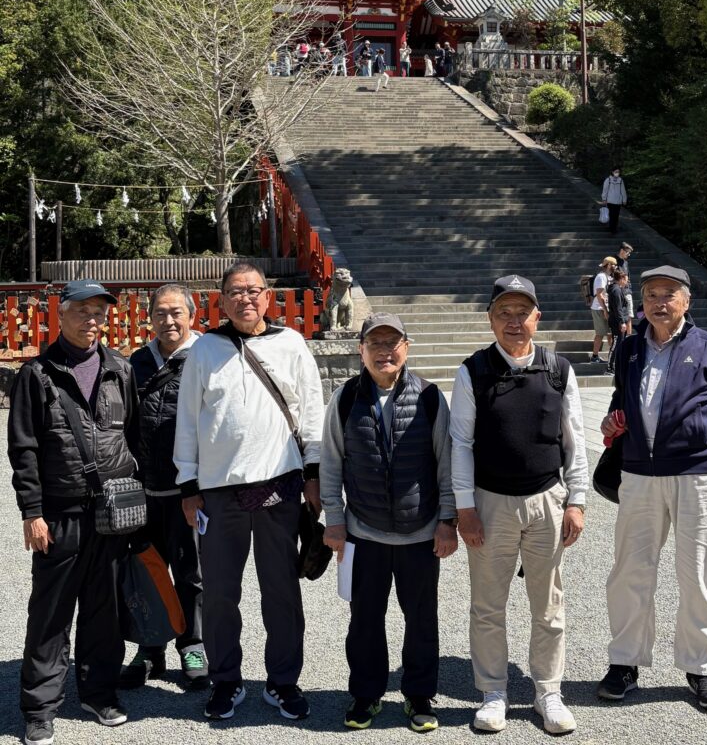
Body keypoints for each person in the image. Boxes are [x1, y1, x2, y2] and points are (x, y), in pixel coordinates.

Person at [174, 260, 324, 723]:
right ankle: (226, 679)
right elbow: (188, 419)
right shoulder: (205, 349)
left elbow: (312, 410)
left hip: (280, 483)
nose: (245, 298)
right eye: (235, 291)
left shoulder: (291, 343)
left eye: (253, 290)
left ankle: (283, 680)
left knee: (281, 590)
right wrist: (187, 482)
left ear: (267, 297)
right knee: (221, 592)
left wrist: (315, 471)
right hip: (219, 489)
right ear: (221, 300)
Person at [598, 266, 707, 711]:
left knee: (699, 574)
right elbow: (620, 400)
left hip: (698, 475)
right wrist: (611, 421)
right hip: (638, 476)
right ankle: (625, 662)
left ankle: (700, 668)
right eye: (650, 295)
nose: (658, 302)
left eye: (668, 294)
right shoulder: (628, 348)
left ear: (686, 301)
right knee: (629, 571)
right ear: (641, 302)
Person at [450, 275, 588, 736]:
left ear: (537, 317)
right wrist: (465, 508)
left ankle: (548, 691)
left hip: (547, 499)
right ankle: (493, 691)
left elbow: (574, 440)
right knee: (488, 605)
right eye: (503, 313)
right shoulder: (473, 371)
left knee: (549, 605)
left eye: (522, 313)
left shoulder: (558, 369)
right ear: (490, 319)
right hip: (490, 503)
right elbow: (460, 443)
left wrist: (577, 500)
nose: (514, 322)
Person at [8, 280, 140, 745]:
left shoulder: (120, 369)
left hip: (111, 512)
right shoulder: (37, 374)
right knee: (51, 613)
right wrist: (32, 511)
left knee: (105, 611)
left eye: (99, 312)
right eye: (82, 311)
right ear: (60, 314)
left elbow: (133, 436)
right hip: (60, 512)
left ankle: (98, 693)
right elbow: (23, 448)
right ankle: (40, 707)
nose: (92, 320)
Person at [321, 313, 458, 733]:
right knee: (364, 619)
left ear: (406, 348)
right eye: (375, 344)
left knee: (421, 620)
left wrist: (447, 519)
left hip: (421, 532)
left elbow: (446, 464)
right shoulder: (345, 398)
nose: (385, 351)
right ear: (361, 350)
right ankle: (366, 695)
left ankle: (420, 695)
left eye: (392, 343)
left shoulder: (430, 397)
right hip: (364, 531)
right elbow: (331, 463)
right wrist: (334, 520)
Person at [119, 284, 206, 690]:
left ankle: (193, 645)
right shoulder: (136, 363)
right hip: (144, 490)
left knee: (191, 573)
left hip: (190, 491)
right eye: (160, 313)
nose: (168, 321)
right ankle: (150, 647)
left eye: (176, 313)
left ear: (192, 315)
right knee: (146, 570)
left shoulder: (207, 358)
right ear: (149, 317)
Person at [589, 256, 616, 363]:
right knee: (600, 334)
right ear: (608, 265)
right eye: (614, 265)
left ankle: (612, 357)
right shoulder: (601, 277)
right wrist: (605, 310)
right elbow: (600, 294)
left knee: (610, 333)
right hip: (599, 308)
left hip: (604, 308)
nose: (615, 267)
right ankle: (594, 356)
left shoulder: (607, 276)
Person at [605, 268, 630, 375]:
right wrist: (622, 322)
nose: (626, 282)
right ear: (621, 279)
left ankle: (616, 366)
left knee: (619, 344)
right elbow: (618, 308)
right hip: (617, 322)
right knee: (616, 343)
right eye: (626, 280)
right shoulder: (616, 290)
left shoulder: (617, 289)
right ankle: (610, 367)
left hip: (619, 321)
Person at [613, 242, 634, 333]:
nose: (629, 255)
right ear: (622, 250)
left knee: (629, 315)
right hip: (617, 292)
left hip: (626, 291)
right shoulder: (613, 261)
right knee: (619, 316)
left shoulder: (625, 262)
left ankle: (628, 337)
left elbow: (628, 277)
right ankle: (620, 337)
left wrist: (629, 289)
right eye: (627, 252)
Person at [601, 167, 627, 234]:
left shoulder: (620, 180)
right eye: (616, 171)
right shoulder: (608, 180)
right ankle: (612, 228)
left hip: (618, 201)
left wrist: (624, 199)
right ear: (612, 172)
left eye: (618, 172)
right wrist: (604, 199)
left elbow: (623, 190)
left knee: (616, 215)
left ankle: (614, 228)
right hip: (610, 201)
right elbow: (605, 190)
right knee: (612, 215)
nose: (617, 173)